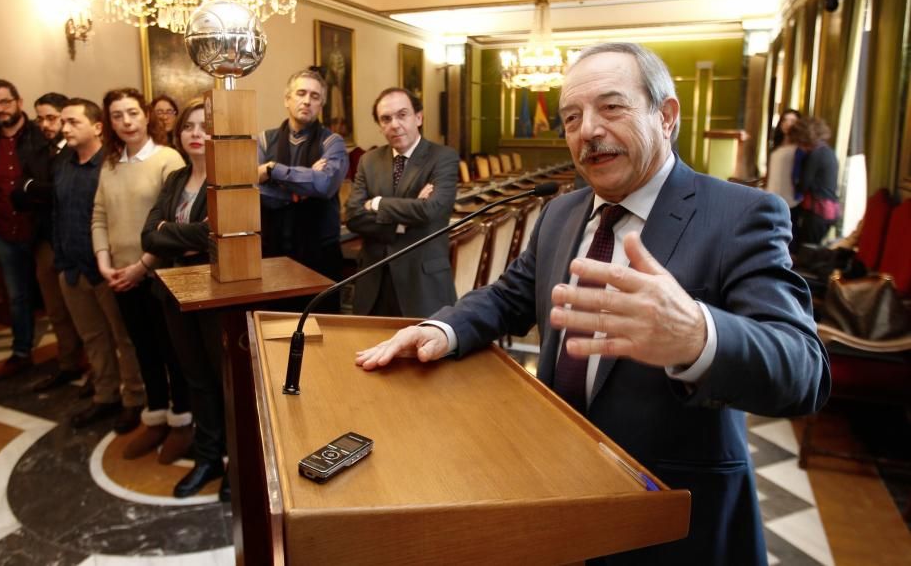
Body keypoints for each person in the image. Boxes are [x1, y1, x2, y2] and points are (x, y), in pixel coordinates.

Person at [355, 43, 830, 565]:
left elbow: (803, 371)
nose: (589, 131)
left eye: (612, 107)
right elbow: (510, 295)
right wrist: (444, 329)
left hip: (674, 514)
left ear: (666, 115)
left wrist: (699, 335)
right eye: (572, 118)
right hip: (559, 490)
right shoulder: (561, 213)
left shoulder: (740, 214)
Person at [92, 88, 192, 463]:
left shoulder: (167, 159)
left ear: (147, 115)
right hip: (120, 275)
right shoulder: (111, 162)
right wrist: (105, 263)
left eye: (132, 113)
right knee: (142, 350)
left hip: (158, 275)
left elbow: (171, 225)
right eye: (117, 115)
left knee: (170, 350)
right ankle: (156, 418)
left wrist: (141, 267)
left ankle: (182, 421)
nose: (126, 122)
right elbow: (99, 215)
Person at [142, 99, 229, 501]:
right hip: (173, 291)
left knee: (226, 380)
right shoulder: (175, 178)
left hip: (216, 293)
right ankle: (208, 458)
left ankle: (237, 465)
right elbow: (148, 236)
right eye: (189, 126)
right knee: (195, 379)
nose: (196, 133)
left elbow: (217, 239)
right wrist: (191, 234)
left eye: (205, 126)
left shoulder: (229, 179)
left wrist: (171, 232)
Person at [55, 99, 144, 432]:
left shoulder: (110, 164)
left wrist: (108, 259)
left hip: (108, 269)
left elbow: (110, 216)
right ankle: (105, 396)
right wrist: (62, 260)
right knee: (93, 338)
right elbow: (59, 213)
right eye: (63, 122)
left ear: (96, 127)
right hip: (72, 267)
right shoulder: (63, 163)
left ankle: (134, 398)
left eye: (73, 122)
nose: (65, 129)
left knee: (124, 339)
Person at [344, 87, 458, 317]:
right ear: (380, 125)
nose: (394, 124)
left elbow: (431, 210)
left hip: (422, 284)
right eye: (386, 118)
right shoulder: (369, 160)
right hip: (374, 282)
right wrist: (402, 222)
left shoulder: (443, 157)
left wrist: (377, 203)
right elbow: (353, 215)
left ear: (418, 117)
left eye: (402, 114)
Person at [0, 79, 52, 380]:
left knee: (54, 294)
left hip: (41, 230)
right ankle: (22, 352)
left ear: (18, 102)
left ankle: (72, 351)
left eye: (4, 102)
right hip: (4, 232)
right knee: (17, 297)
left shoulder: (41, 136)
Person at [257, 69, 349, 307]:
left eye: (315, 96)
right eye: (301, 93)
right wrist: (302, 188)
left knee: (323, 329)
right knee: (276, 328)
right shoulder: (264, 140)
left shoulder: (333, 142)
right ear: (287, 99)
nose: (307, 100)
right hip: (273, 250)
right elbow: (253, 190)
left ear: (322, 104)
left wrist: (272, 170)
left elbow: (325, 185)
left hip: (321, 254)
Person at [25, 91, 85, 392]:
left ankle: (96, 371)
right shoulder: (38, 151)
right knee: (56, 310)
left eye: (51, 118)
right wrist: (32, 189)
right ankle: (68, 363)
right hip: (46, 238)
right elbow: (21, 191)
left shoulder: (76, 152)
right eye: (40, 118)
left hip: (76, 240)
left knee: (87, 315)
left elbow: (62, 193)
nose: (45, 125)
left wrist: (36, 189)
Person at [793, 116, 840, 247]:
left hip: (817, 211)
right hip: (831, 209)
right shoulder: (828, 151)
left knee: (806, 251)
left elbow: (804, 184)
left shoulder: (814, 155)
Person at [764, 109, 801, 209]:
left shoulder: (800, 147)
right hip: (771, 195)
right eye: (785, 120)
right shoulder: (777, 145)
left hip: (790, 201)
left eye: (792, 121)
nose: (787, 124)